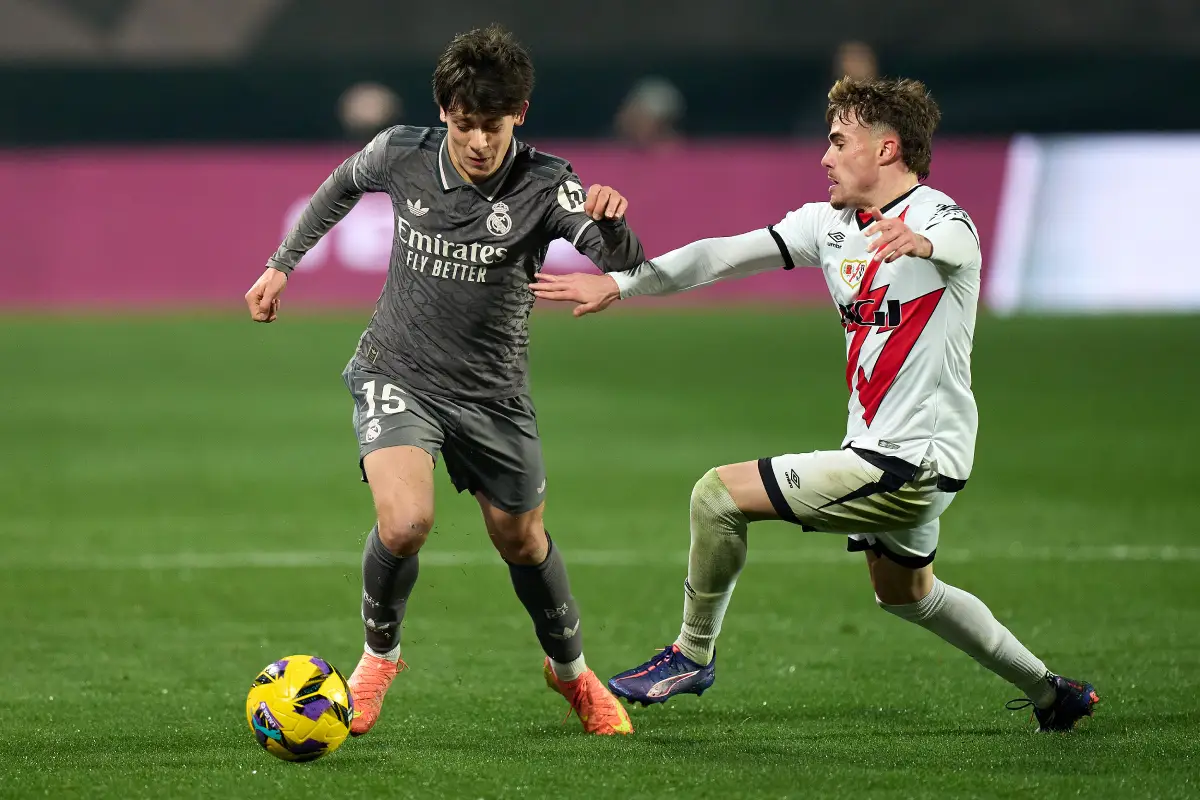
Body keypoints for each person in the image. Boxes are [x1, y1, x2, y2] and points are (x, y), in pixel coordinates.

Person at [530, 76, 1099, 732]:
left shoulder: (938, 218)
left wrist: (923, 246)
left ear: (886, 150)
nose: (824, 157)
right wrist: (622, 284)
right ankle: (1053, 693)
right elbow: (719, 256)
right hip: (890, 453)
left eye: (838, 142)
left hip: (909, 461)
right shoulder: (827, 225)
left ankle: (690, 654)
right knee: (908, 595)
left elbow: (961, 245)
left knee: (717, 496)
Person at [245, 25, 641, 737]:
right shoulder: (403, 152)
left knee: (522, 542)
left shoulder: (548, 181)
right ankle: (378, 658)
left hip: (494, 395)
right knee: (405, 522)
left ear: (518, 114)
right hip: (397, 370)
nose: (479, 142)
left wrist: (613, 228)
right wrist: (282, 263)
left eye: (492, 125)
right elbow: (340, 185)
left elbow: (614, 255)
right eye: (464, 125)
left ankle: (571, 673)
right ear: (444, 113)